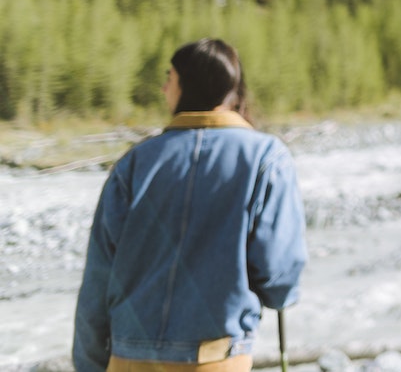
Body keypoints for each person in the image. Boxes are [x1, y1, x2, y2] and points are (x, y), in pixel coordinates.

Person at [73, 38, 308, 372]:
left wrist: (90, 363)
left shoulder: (137, 162)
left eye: (169, 77)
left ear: (189, 84)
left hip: (129, 359)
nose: (163, 87)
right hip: (215, 358)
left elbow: (98, 278)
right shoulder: (266, 158)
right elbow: (279, 276)